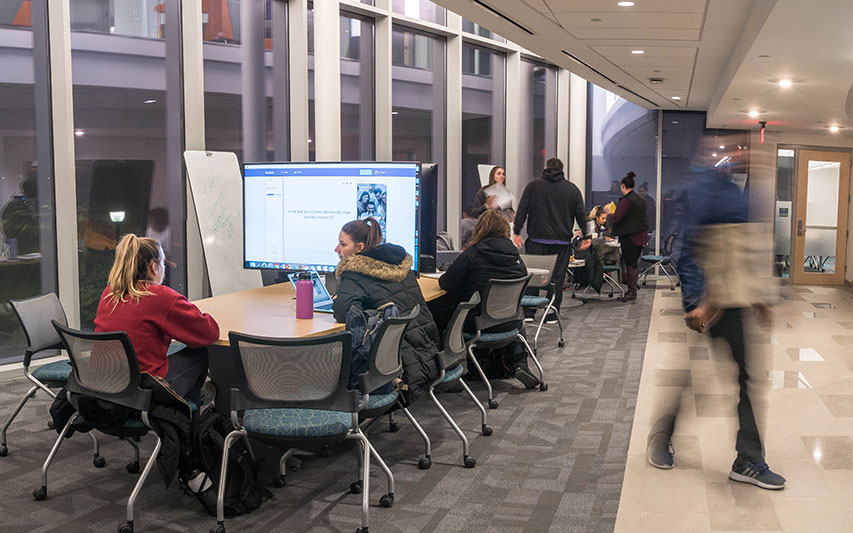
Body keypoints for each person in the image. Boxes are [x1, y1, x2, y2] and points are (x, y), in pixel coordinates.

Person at [646, 170, 786, 490]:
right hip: (705, 302)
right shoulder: (702, 191)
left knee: (748, 378)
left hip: (732, 300)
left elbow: (743, 253)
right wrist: (699, 302)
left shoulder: (738, 193)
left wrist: (760, 299)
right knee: (691, 377)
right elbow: (696, 251)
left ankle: (747, 460)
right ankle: (660, 436)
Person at [94, 234, 219, 404]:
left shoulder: (110, 293)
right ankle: (190, 406)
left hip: (105, 383)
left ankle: (191, 400)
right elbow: (208, 333)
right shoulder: (161, 296)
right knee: (199, 352)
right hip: (143, 388)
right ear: (154, 267)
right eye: (163, 264)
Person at [333, 217, 441, 402]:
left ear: (359, 248)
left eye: (342, 244)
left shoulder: (355, 273)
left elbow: (344, 313)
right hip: (427, 353)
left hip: (395, 369)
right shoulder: (401, 265)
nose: (337, 249)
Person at [438, 210, 539, 388]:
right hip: (511, 322)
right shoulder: (515, 256)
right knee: (509, 317)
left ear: (481, 229)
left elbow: (446, 283)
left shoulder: (472, 253)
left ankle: (444, 372)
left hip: (477, 324)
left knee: (438, 310)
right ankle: (520, 362)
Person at [512, 157, 588, 323]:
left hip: (537, 240)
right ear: (562, 169)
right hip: (561, 243)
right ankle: (552, 313)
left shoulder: (533, 186)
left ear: (546, 167)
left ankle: (529, 312)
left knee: (532, 275)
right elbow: (581, 215)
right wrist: (586, 235)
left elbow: (522, 210)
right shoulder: (572, 189)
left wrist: (516, 231)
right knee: (557, 278)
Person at [607, 171, 648, 301]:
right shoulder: (640, 199)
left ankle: (631, 292)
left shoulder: (626, 200)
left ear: (622, 186)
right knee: (634, 264)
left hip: (630, 236)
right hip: (640, 235)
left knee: (630, 264)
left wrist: (609, 213)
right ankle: (633, 289)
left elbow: (618, 218)